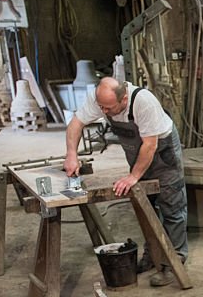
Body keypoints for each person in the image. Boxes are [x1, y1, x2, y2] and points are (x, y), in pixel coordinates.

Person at [64, 78, 188, 286]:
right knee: (145, 205)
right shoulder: (101, 99)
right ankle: (153, 256)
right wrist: (71, 155)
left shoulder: (144, 102)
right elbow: (76, 123)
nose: (103, 111)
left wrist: (133, 176)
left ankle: (174, 261)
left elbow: (150, 145)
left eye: (109, 108)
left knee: (171, 205)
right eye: (101, 106)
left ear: (123, 99)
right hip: (138, 153)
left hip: (162, 152)